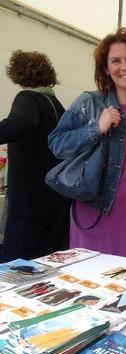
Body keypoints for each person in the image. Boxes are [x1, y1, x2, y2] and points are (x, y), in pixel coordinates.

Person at [48, 28, 126, 261]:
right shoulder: (90, 102)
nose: (125, 67)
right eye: (115, 61)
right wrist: (96, 129)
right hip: (96, 213)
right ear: (105, 68)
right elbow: (57, 144)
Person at [0, 50, 70, 262]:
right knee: (49, 269)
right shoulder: (57, 106)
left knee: (14, 271)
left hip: (29, 207)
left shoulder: (28, 98)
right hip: (57, 205)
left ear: (18, 75)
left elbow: (18, 125)